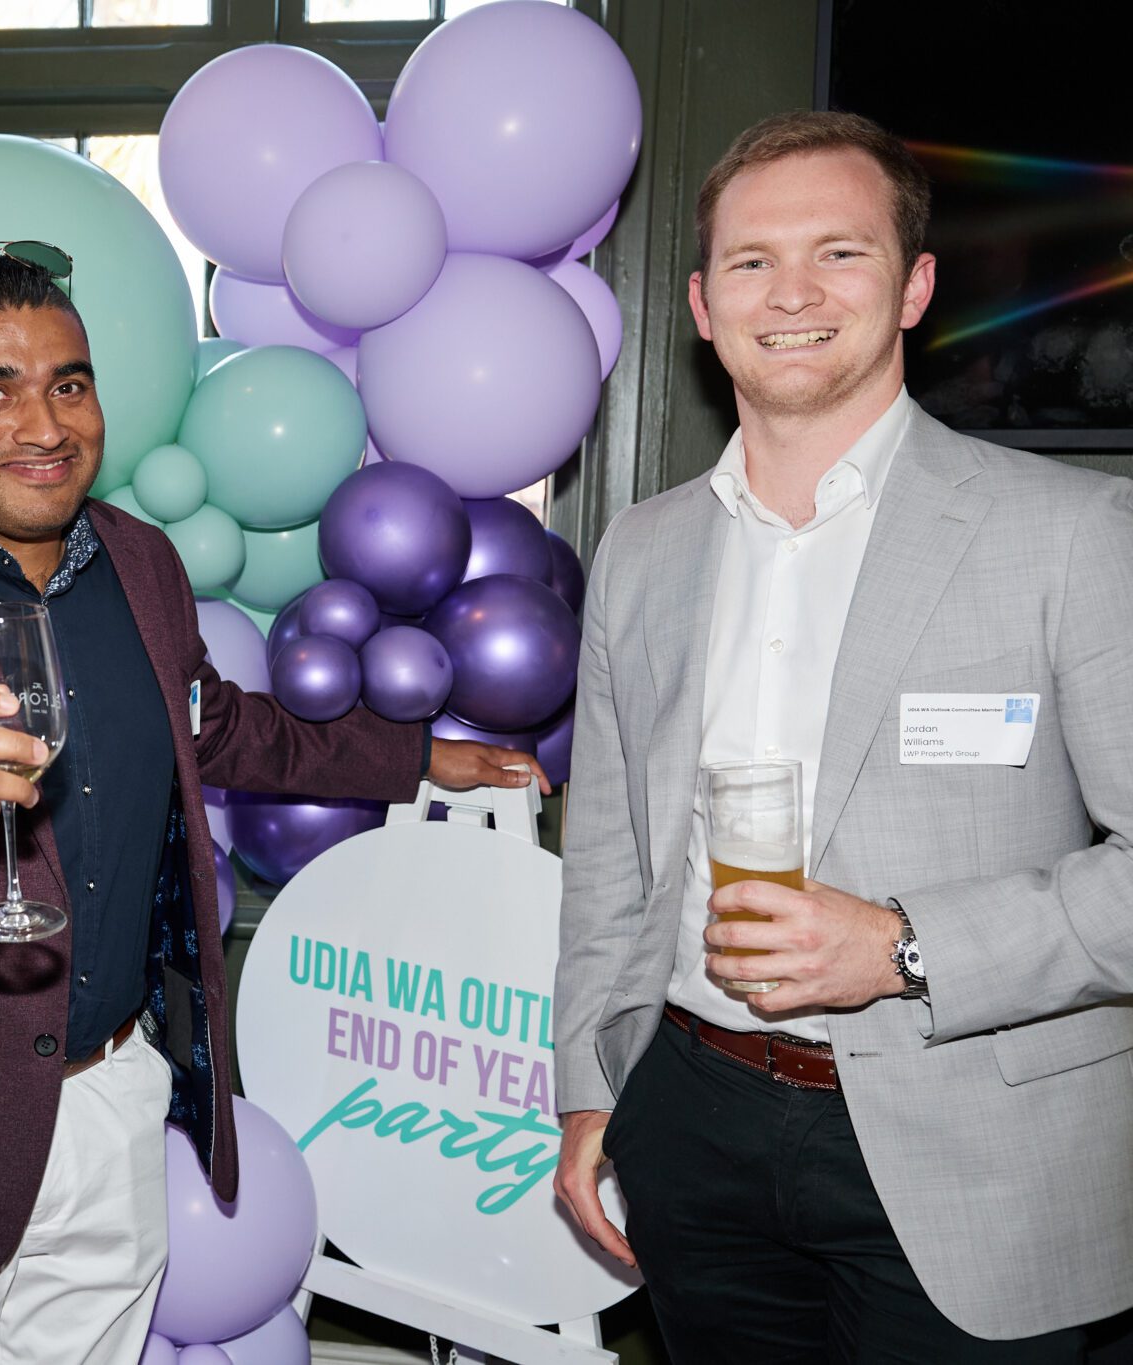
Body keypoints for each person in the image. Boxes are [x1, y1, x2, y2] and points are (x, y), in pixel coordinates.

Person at [0, 246, 547, 1365]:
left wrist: (415, 757)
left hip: (113, 1098)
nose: (42, 425)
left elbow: (215, 726)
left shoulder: (140, 562)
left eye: (67, 384)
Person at [552, 109, 1133, 1360]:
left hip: (977, 1156)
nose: (791, 294)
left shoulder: (1073, 535)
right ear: (701, 305)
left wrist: (903, 947)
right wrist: (591, 1093)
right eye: (751, 261)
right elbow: (606, 859)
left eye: (839, 253)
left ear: (913, 286)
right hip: (690, 1120)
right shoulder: (640, 550)